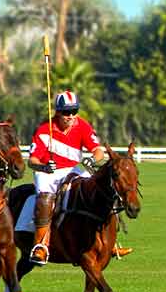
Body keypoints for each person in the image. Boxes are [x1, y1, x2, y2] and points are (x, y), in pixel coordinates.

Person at [26, 90, 109, 264]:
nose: (70, 116)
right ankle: (40, 245)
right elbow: (32, 161)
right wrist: (43, 166)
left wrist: (92, 159)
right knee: (46, 198)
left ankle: (109, 241)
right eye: (66, 112)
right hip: (47, 172)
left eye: (74, 111)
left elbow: (98, 150)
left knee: (98, 188)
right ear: (58, 112)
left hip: (71, 169)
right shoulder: (44, 129)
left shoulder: (82, 126)